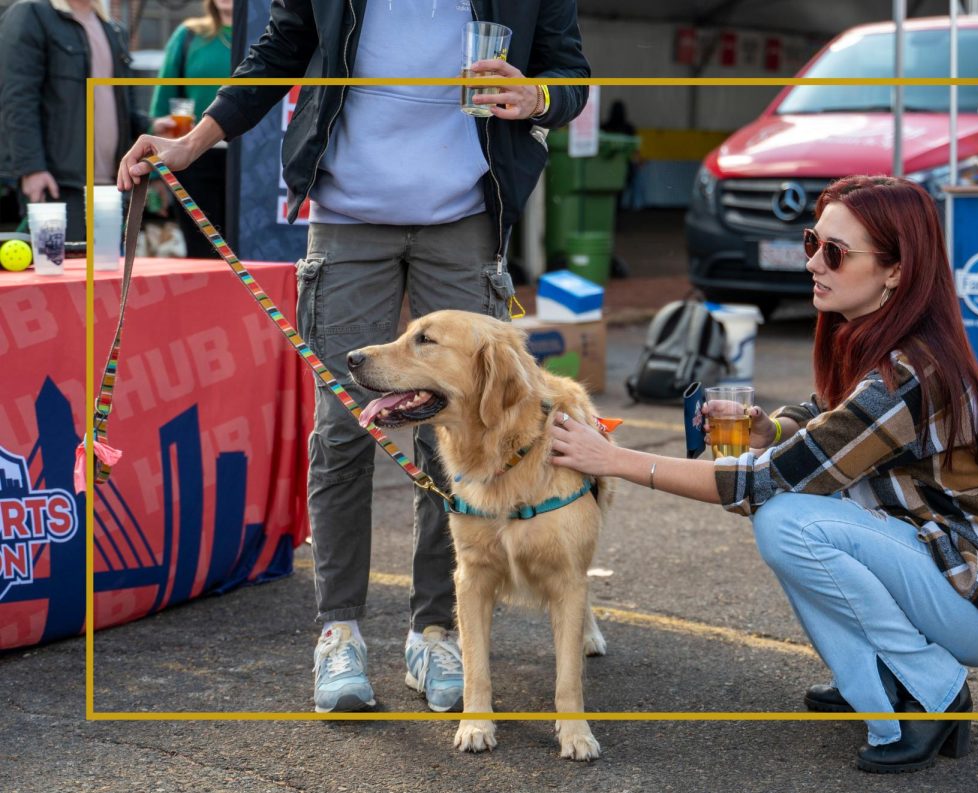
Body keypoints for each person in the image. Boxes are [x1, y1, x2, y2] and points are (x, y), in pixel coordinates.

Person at [117, 0, 589, 714]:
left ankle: (435, 630)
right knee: (344, 430)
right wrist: (193, 142)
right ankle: (338, 631)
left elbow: (570, 76)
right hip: (347, 218)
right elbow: (276, 54)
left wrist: (540, 97)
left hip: (465, 216)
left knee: (468, 433)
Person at [549, 175, 978, 774]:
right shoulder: (871, 337)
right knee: (790, 518)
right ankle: (872, 676)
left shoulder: (909, 373)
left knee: (787, 519)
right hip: (942, 566)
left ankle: (934, 690)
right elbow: (822, 422)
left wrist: (614, 460)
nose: (813, 261)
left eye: (834, 252)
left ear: (895, 270)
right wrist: (768, 429)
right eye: (814, 241)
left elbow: (761, 485)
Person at [0, 0, 145, 241]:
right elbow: (16, 99)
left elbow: (123, 104)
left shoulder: (111, 28)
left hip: (112, 186)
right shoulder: (32, 14)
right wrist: (31, 168)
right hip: (58, 185)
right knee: (63, 273)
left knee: (109, 275)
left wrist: (152, 127)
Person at [148, 0, 233, 258]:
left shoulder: (271, 39)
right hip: (195, 157)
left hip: (252, 163)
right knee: (203, 253)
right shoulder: (189, 36)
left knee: (252, 253)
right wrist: (156, 176)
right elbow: (163, 108)